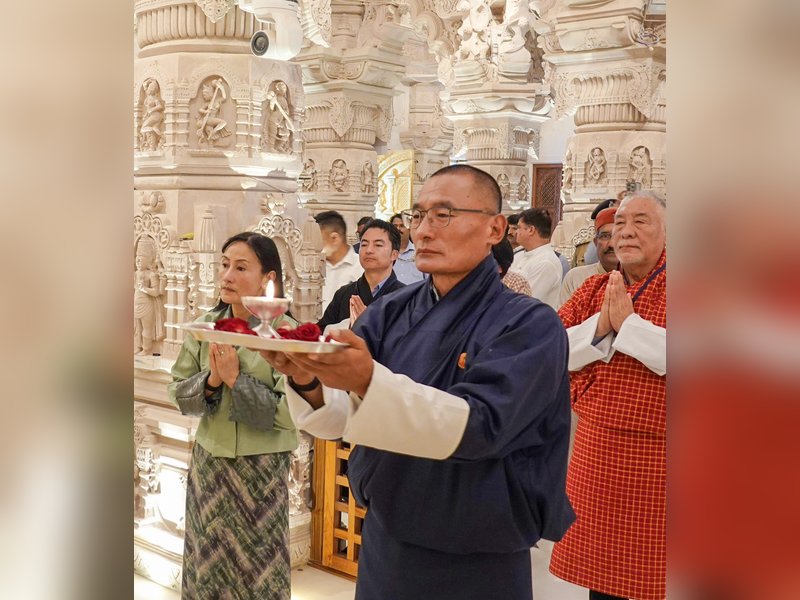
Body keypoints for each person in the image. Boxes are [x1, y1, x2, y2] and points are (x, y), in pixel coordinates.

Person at [261, 164, 574, 600]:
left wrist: (370, 380)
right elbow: (342, 418)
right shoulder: (390, 312)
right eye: (418, 215)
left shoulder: (529, 324)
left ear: (495, 228)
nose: (424, 231)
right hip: (388, 539)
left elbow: (481, 426)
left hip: (478, 555)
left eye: (443, 215)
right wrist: (307, 379)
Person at [168, 232, 298, 600]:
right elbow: (179, 394)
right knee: (206, 563)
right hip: (210, 466)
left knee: (259, 567)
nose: (226, 275)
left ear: (268, 279)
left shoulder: (287, 334)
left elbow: (290, 415)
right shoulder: (205, 326)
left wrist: (236, 380)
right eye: (224, 265)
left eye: (241, 267)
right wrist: (211, 380)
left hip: (261, 472)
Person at [550, 191, 667, 600]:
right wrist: (601, 326)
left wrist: (630, 328)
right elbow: (552, 350)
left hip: (666, 458)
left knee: (664, 573)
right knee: (604, 577)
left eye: (641, 221)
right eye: (619, 224)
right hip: (598, 452)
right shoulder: (594, 288)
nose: (627, 232)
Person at [318, 218, 405, 332]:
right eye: (364, 244)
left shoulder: (406, 297)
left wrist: (370, 324)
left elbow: (410, 343)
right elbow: (320, 333)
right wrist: (346, 326)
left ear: (394, 254)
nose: (368, 250)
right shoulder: (344, 294)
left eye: (378, 245)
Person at [559, 207, 618, 306]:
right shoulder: (576, 278)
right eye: (605, 236)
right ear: (595, 242)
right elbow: (563, 319)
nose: (611, 244)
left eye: (618, 236)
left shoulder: (639, 279)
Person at [509, 208, 563, 309]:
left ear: (531, 230)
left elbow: (525, 301)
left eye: (519, 228)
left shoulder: (546, 262)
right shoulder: (518, 256)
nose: (516, 232)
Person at [315, 210, 363, 311]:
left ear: (334, 238)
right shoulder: (314, 268)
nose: (314, 246)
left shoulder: (361, 268)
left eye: (318, 240)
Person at [390, 212, 426, 284]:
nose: (398, 229)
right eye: (395, 226)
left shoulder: (420, 252)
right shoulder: (385, 253)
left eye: (402, 226)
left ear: (409, 228)